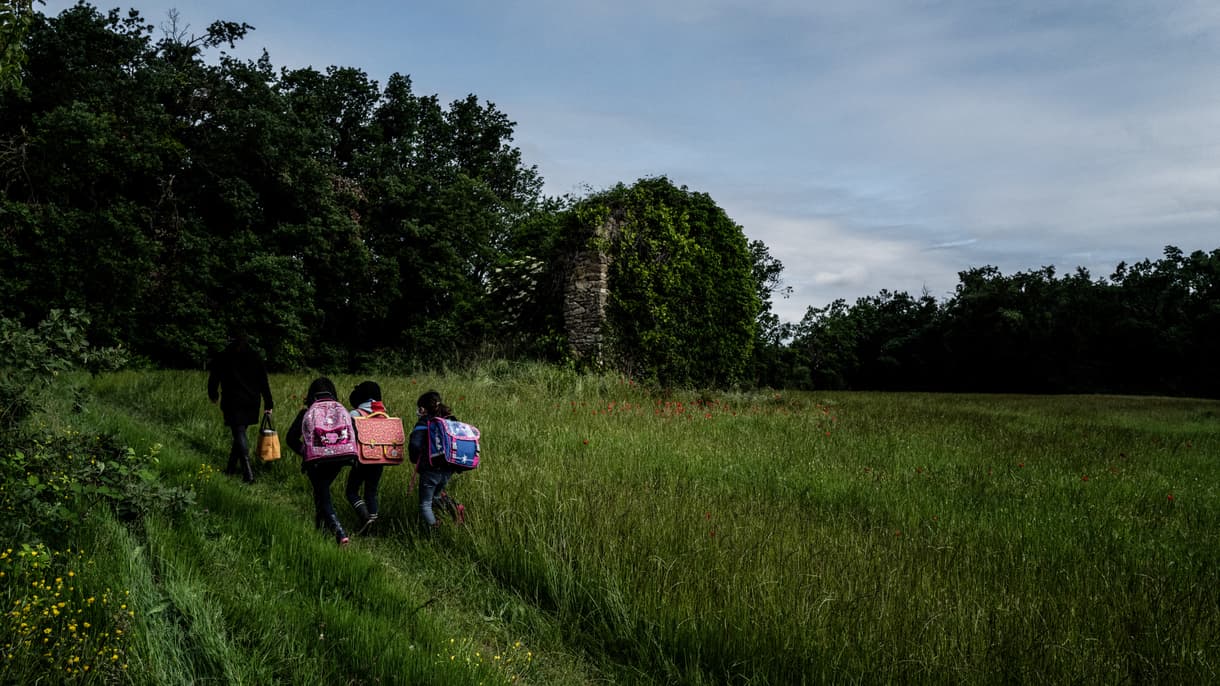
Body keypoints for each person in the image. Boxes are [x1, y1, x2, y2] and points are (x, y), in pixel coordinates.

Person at [286, 377, 355, 546]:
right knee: (321, 492)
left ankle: (339, 531)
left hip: (316, 461)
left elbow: (290, 438)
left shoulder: (306, 413)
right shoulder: (341, 410)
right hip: (340, 458)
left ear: (311, 394)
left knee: (322, 493)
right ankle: (321, 531)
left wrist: (305, 451)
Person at [206, 332, 274, 484]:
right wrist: (268, 403)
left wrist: (213, 394)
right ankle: (230, 469)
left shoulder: (223, 356)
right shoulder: (255, 356)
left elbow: (214, 377)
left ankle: (248, 473)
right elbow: (264, 381)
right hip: (251, 401)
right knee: (240, 433)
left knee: (239, 432)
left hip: (232, 401)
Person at [408, 389, 467, 531]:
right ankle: (453, 506)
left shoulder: (424, 422)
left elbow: (415, 445)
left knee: (425, 504)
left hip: (430, 468)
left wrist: (416, 459)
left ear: (423, 408)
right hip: (448, 468)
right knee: (436, 496)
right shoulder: (450, 420)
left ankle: (435, 532)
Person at [346, 380, 388, 535]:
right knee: (371, 492)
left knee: (351, 491)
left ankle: (365, 517)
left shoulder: (355, 414)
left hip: (362, 459)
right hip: (380, 460)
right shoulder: (384, 414)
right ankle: (373, 526)